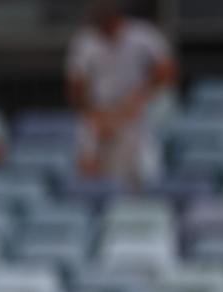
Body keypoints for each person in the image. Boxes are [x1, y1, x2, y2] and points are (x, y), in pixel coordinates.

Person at [67, 0, 176, 187]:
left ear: (117, 19)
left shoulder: (142, 34)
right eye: (100, 25)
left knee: (141, 164)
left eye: (108, 23)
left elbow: (167, 70)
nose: (105, 31)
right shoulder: (85, 41)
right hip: (102, 108)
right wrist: (93, 114)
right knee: (88, 158)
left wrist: (140, 97)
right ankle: (94, 200)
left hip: (139, 107)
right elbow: (76, 85)